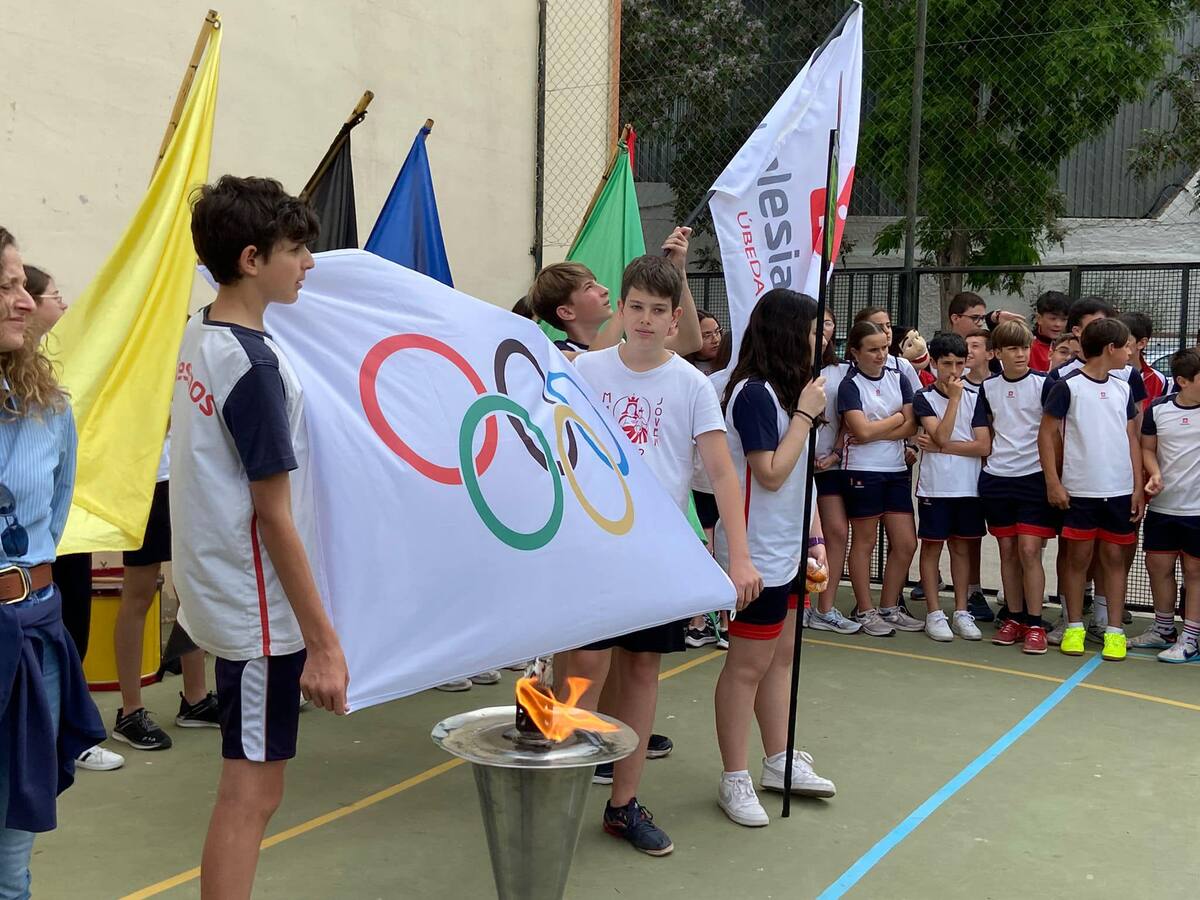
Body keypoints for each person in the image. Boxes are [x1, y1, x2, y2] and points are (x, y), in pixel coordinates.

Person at [174, 177, 350, 897]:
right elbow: (273, 515)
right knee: (250, 797)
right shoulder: (252, 366)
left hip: (226, 596)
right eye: (297, 249)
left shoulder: (203, 330)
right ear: (251, 259)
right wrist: (325, 644)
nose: (309, 262)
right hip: (257, 618)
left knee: (254, 792)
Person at [568, 252, 762, 856]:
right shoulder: (582, 372)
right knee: (583, 669)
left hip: (655, 554)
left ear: (676, 318)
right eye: (636, 307)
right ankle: (555, 781)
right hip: (590, 550)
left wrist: (740, 557)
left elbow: (724, 476)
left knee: (643, 670)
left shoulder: (691, 386)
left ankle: (622, 805)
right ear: (620, 310)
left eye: (658, 310)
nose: (646, 320)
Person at [1, 226, 108, 899]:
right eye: (7, 285)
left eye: (22, 285)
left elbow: (54, 524)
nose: (25, 300)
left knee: (12, 859)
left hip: (29, 635)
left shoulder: (48, 410)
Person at [711, 289, 836, 828]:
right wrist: (807, 417)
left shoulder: (787, 393)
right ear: (788, 334)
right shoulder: (756, 393)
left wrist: (813, 538)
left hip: (787, 551)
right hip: (753, 554)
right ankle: (734, 777)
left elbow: (798, 485)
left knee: (781, 658)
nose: (821, 339)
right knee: (746, 667)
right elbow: (770, 473)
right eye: (812, 331)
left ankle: (779, 759)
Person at [22, 264, 124, 773]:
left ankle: (70, 734)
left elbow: (60, 489)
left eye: (26, 288)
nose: (59, 304)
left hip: (53, 551)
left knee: (67, 625)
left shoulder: (51, 392)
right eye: (53, 294)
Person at [1039, 318, 1144, 661]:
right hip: (1080, 489)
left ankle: (1114, 631)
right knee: (1078, 560)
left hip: (1118, 489)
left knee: (1114, 558)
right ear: (1111, 349)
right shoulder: (1068, 386)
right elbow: (1046, 435)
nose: (1130, 351)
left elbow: (1132, 438)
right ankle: (1073, 627)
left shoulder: (1123, 387)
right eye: (1126, 346)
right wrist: (1053, 482)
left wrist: (1137, 486)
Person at [837, 321, 921, 636]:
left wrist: (882, 428)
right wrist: (897, 418)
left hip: (896, 470)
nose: (881, 354)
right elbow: (860, 431)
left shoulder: (899, 377)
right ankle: (865, 609)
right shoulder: (849, 385)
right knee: (865, 540)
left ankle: (889, 606)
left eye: (884, 348)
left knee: (906, 542)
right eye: (872, 350)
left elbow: (912, 426)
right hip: (861, 470)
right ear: (855, 353)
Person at [977, 321, 1055, 654]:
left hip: (1034, 479)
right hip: (997, 479)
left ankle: (1036, 623)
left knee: (1028, 550)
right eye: (1012, 348)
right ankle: (1014, 616)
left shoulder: (1045, 384)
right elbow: (986, 432)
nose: (1021, 354)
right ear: (996, 354)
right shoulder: (988, 387)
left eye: (1024, 347)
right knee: (1008, 551)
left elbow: (1055, 433)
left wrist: (1055, 478)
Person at [911, 334, 990, 641]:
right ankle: (934, 613)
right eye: (946, 364)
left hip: (968, 488)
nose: (954, 371)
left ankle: (961, 611)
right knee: (932, 548)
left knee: (962, 549)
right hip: (936, 488)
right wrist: (955, 400)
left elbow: (983, 445)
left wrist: (943, 448)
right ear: (934, 362)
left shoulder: (977, 397)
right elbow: (941, 434)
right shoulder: (924, 398)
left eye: (959, 363)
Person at [1129, 348, 1200, 662]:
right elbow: (1147, 449)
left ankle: (1192, 637)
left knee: (1195, 572)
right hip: (1163, 508)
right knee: (1158, 568)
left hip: (1197, 510)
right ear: (1183, 381)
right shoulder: (1158, 409)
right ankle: (1163, 629)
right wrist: (1155, 473)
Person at [528, 230, 702, 357]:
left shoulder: (625, 346)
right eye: (589, 287)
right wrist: (629, 301)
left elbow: (690, 341)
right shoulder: (558, 356)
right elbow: (595, 362)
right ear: (566, 312)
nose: (604, 290)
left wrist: (678, 271)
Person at [810, 307, 860, 635]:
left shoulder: (842, 371)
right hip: (789, 467)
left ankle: (824, 608)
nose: (823, 329)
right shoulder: (789, 368)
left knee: (836, 532)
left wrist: (836, 452)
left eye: (828, 322)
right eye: (816, 324)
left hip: (827, 464)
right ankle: (796, 604)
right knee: (799, 537)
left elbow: (846, 418)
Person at [958, 329, 996, 621]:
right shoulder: (956, 387)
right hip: (967, 473)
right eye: (965, 346)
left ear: (990, 353)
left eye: (975, 346)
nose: (968, 351)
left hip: (1001, 472)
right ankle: (973, 591)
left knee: (1017, 542)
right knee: (971, 537)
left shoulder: (999, 387)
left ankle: (1014, 600)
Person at [1118, 311, 1165, 409]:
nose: (1117, 343)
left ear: (1141, 343)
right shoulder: (1105, 374)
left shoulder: (1159, 380)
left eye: (1124, 339)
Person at [1029, 290, 1071, 373]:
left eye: (1063, 319)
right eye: (1053, 318)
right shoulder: (1027, 345)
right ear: (1039, 318)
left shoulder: (1073, 346)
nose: (1058, 324)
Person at [686, 309, 723, 375]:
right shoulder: (684, 368)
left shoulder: (730, 363)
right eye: (707, 335)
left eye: (717, 332)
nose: (716, 340)